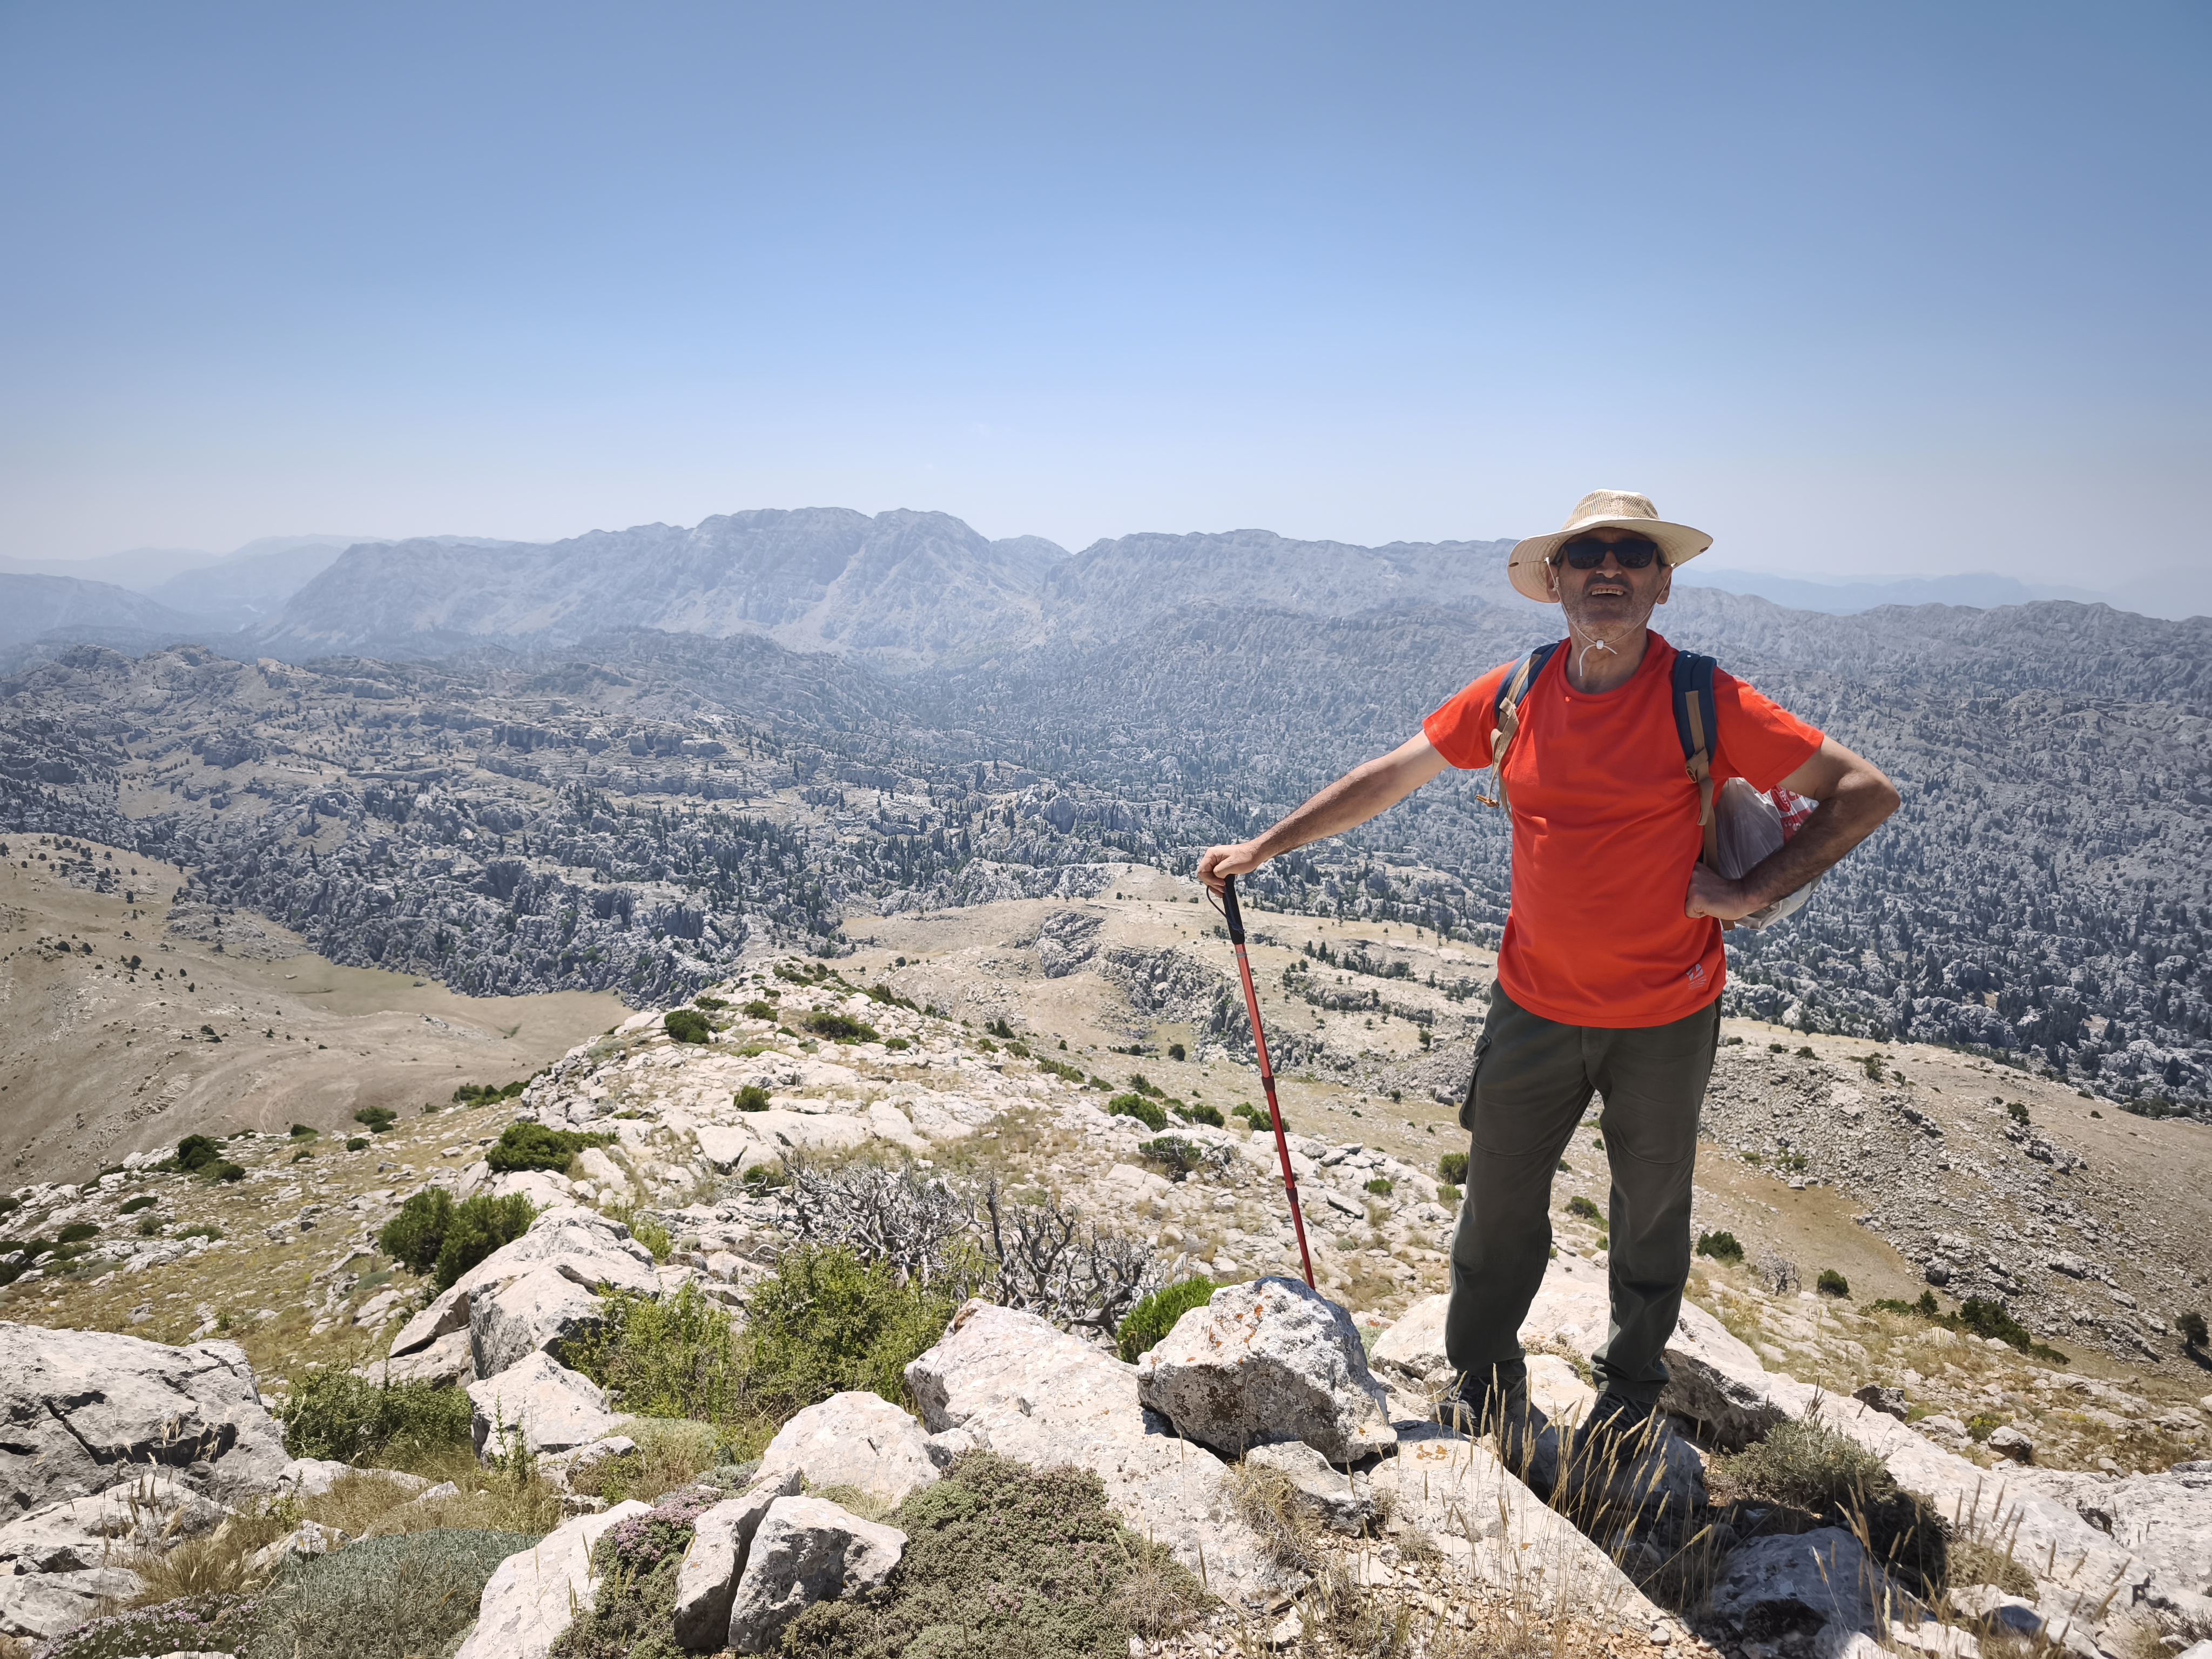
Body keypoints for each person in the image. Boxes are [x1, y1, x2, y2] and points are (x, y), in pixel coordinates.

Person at [1198, 489, 1898, 1460]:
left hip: (1666, 1012)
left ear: (1661, 583)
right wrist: (1266, 847)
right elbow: (1393, 774)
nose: (1609, 568)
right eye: (1588, 554)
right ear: (1556, 580)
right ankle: (1485, 1388)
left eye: (1632, 554)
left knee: (1650, 1216)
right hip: (1532, 1004)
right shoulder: (1517, 694)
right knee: (1497, 1211)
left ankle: (1630, 1399)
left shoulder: (1703, 698)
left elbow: (1866, 791)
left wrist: (1749, 893)